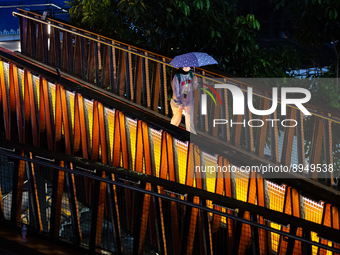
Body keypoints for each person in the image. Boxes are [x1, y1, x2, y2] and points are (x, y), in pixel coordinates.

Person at [170, 66, 198, 134]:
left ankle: (192, 142)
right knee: (176, 121)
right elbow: (175, 92)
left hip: (189, 102)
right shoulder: (177, 76)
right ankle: (169, 135)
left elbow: (193, 89)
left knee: (190, 124)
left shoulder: (191, 74)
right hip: (178, 103)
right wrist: (180, 105)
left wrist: (195, 82)